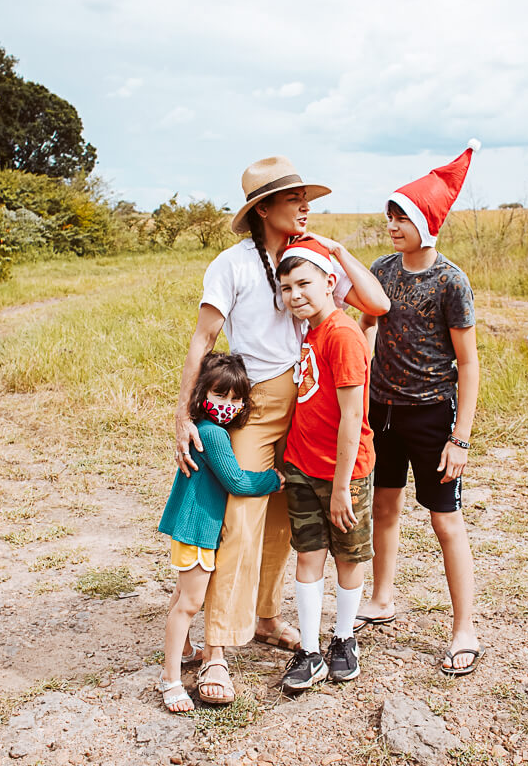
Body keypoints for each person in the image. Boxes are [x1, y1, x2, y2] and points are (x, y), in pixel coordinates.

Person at [173, 156, 389, 703]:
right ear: (263, 209)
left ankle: (265, 616)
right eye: (294, 199)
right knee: (239, 521)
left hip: (309, 400)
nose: (306, 207)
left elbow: (375, 303)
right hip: (258, 402)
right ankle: (217, 650)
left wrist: (337, 251)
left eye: (305, 198)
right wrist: (182, 416)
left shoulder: (306, 262)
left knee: (282, 524)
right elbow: (202, 341)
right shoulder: (233, 265)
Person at [356, 140, 485, 676]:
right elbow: (363, 323)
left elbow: (470, 365)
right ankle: (382, 598)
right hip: (381, 411)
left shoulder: (450, 281)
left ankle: (465, 628)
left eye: (402, 216)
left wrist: (460, 438)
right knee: (383, 509)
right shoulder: (382, 271)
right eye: (389, 215)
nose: (391, 225)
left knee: (444, 519)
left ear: (426, 221)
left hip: (432, 415)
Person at [274, 238, 377, 691]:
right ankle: (311, 650)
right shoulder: (306, 334)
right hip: (300, 467)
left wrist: (340, 487)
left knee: (348, 556)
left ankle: (344, 638)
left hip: (344, 473)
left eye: (303, 284)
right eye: (285, 287)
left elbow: (353, 416)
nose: (294, 295)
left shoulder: (341, 333)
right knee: (309, 554)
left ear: (329, 282)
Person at [156, 352, 282, 711]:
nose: (228, 405)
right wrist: (274, 479)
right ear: (202, 394)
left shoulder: (206, 427)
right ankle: (170, 681)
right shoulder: (213, 435)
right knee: (190, 603)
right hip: (198, 529)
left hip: (189, 526)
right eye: (219, 396)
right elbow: (238, 482)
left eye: (236, 398)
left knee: (182, 595)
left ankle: (181, 652)